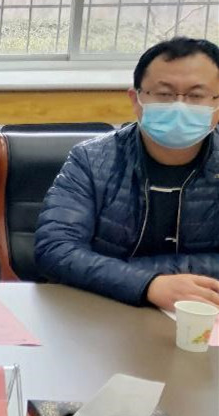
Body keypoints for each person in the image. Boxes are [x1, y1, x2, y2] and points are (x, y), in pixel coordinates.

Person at [36, 37, 219, 310]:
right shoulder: (91, 160)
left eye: (195, 96)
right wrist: (149, 285)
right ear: (136, 99)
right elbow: (55, 250)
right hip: (109, 309)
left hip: (208, 309)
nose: (179, 106)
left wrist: (134, 273)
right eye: (164, 94)